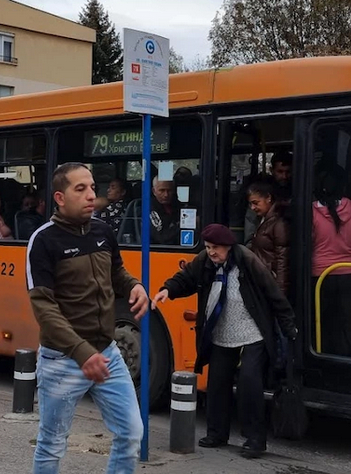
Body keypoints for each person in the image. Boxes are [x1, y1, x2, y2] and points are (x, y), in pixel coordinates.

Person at [27, 162, 149, 474]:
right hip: (62, 360)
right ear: (60, 197)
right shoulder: (43, 240)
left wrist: (134, 285)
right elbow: (44, 307)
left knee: (132, 432)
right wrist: (82, 353)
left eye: (92, 187)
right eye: (80, 189)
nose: (90, 195)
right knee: (52, 444)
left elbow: (116, 272)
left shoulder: (103, 230)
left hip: (107, 353)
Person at [152, 223, 296, 459]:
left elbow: (273, 293)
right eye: (208, 247)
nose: (211, 252)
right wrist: (167, 290)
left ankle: (254, 439)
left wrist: (289, 326)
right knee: (217, 382)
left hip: (252, 330)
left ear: (228, 246)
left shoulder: (247, 260)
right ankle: (217, 433)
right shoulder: (206, 261)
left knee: (250, 382)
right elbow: (186, 278)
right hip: (221, 331)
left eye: (215, 248)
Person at [312, 166, 351, 357]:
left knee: (325, 323)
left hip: (320, 277)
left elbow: (305, 243)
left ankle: (327, 358)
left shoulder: (310, 212)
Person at [247, 177, 290, 297]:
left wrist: (280, 293)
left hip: (271, 282)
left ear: (268, 198)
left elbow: (283, 260)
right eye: (250, 204)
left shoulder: (278, 223)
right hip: (263, 279)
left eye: (256, 203)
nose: (252, 208)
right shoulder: (262, 220)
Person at [151, 177, 181, 245]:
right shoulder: (149, 208)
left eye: (169, 190)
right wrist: (183, 224)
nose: (166, 195)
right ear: (154, 191)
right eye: (161, 190)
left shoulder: (177, 205)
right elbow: (161, 237)